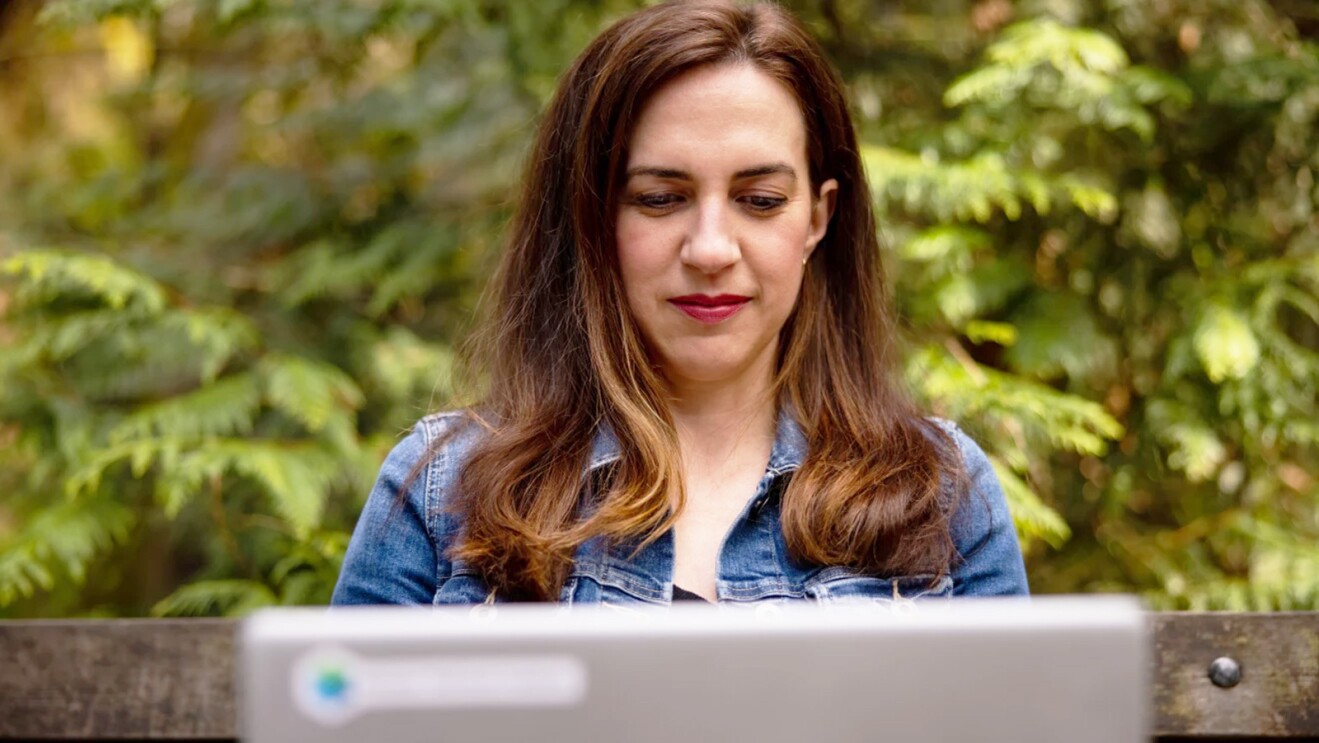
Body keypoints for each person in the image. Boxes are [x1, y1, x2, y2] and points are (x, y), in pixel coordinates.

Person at [332, 0, 1028, 607]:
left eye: (759, 200)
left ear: (817, 218)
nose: (709, 248)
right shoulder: (440, 492)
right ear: (591, 217)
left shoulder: (943, 493)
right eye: (659, 199)